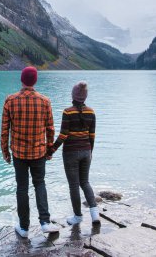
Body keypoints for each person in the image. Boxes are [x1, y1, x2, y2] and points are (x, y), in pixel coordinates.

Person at [1, 66, 59, 238]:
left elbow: (5, 130)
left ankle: (24, 228)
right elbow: (50, 129)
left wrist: (5, 151)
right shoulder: (45, 101)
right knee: (40, 183)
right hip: (39, 152)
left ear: (21, 80)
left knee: (22, 189)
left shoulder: (10, 100)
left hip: (19, 153)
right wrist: (50, 150)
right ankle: (45, 222)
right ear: (35, 81)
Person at [47, 81, 100, 225]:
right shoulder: (91, 112)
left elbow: (63, 135)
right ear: (85, 96)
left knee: (74, 185)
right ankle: (95, 214)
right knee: (85, 182)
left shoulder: (67, 112)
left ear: (73, 95)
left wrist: (51, 150)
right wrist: (90, 152)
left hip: (71, 153)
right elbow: (92, 135)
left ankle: (77, 217)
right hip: (86, 151)